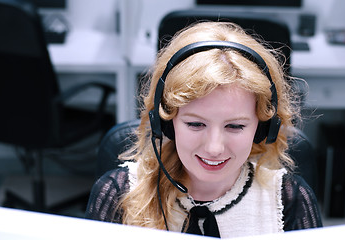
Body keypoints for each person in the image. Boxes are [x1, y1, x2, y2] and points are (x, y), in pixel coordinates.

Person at [85, 21, 322, 238]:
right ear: (166, 122)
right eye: (196, 124)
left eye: (235, 126)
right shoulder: (117, 194)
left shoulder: (291, 201)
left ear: (262, 128)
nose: (214, 147)